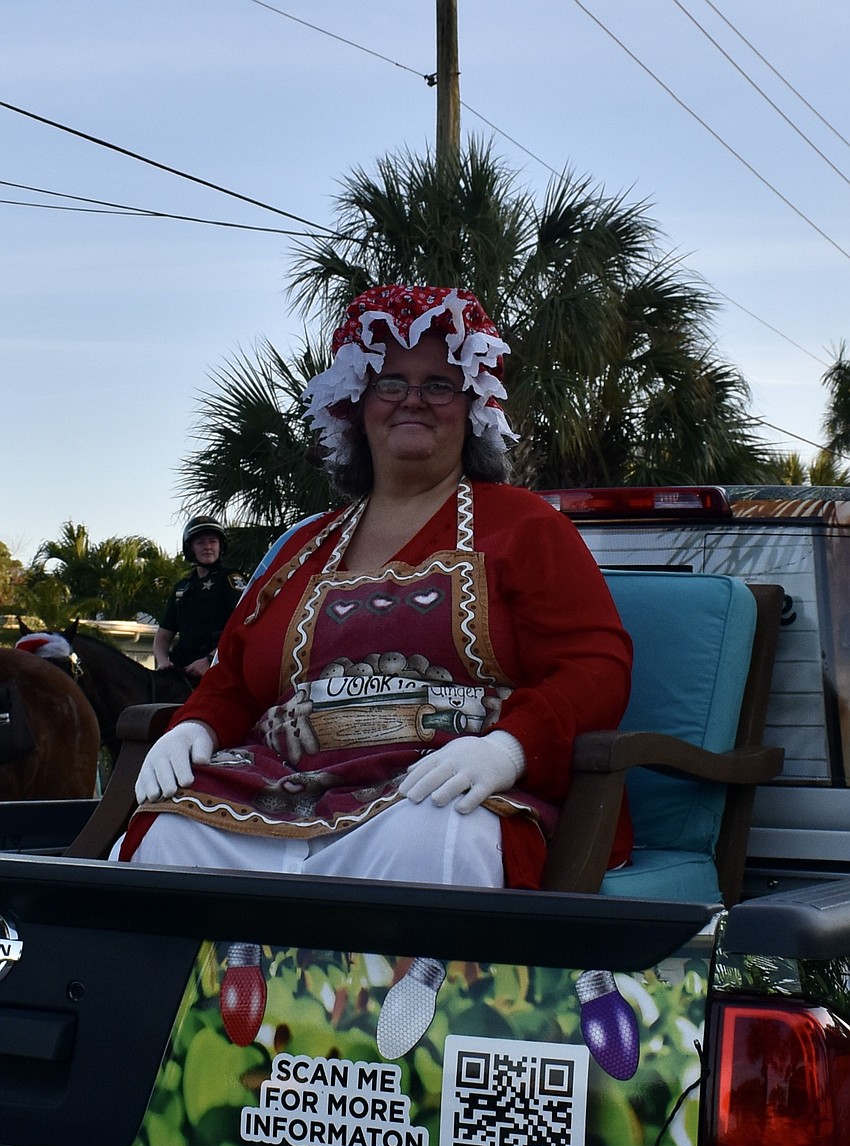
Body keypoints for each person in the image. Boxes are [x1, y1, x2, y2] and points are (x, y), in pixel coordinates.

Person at [119, 284, 633, 890]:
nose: (413, 400)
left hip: (439, 786)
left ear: (472, 408)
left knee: (432, 836)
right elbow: (234, 678)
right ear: (357, 405)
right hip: (281, 786)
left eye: (439, 384)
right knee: (170, 836)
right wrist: (194, 727)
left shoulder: (526, 525)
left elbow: (596, 665)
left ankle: (402, 991)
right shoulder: (299, 547)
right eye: (391, 383)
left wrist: (510, 749)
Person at [152, 517, 246, 681]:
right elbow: (163, 635)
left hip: (219, 672)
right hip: (180, 672)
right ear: (190, 549)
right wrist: (163, 662)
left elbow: (242, 626)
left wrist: (210, 660)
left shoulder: (230, 579)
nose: (208, 547)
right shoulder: (182, 587)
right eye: (200, 543)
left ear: (220, 546)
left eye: (213, 541)